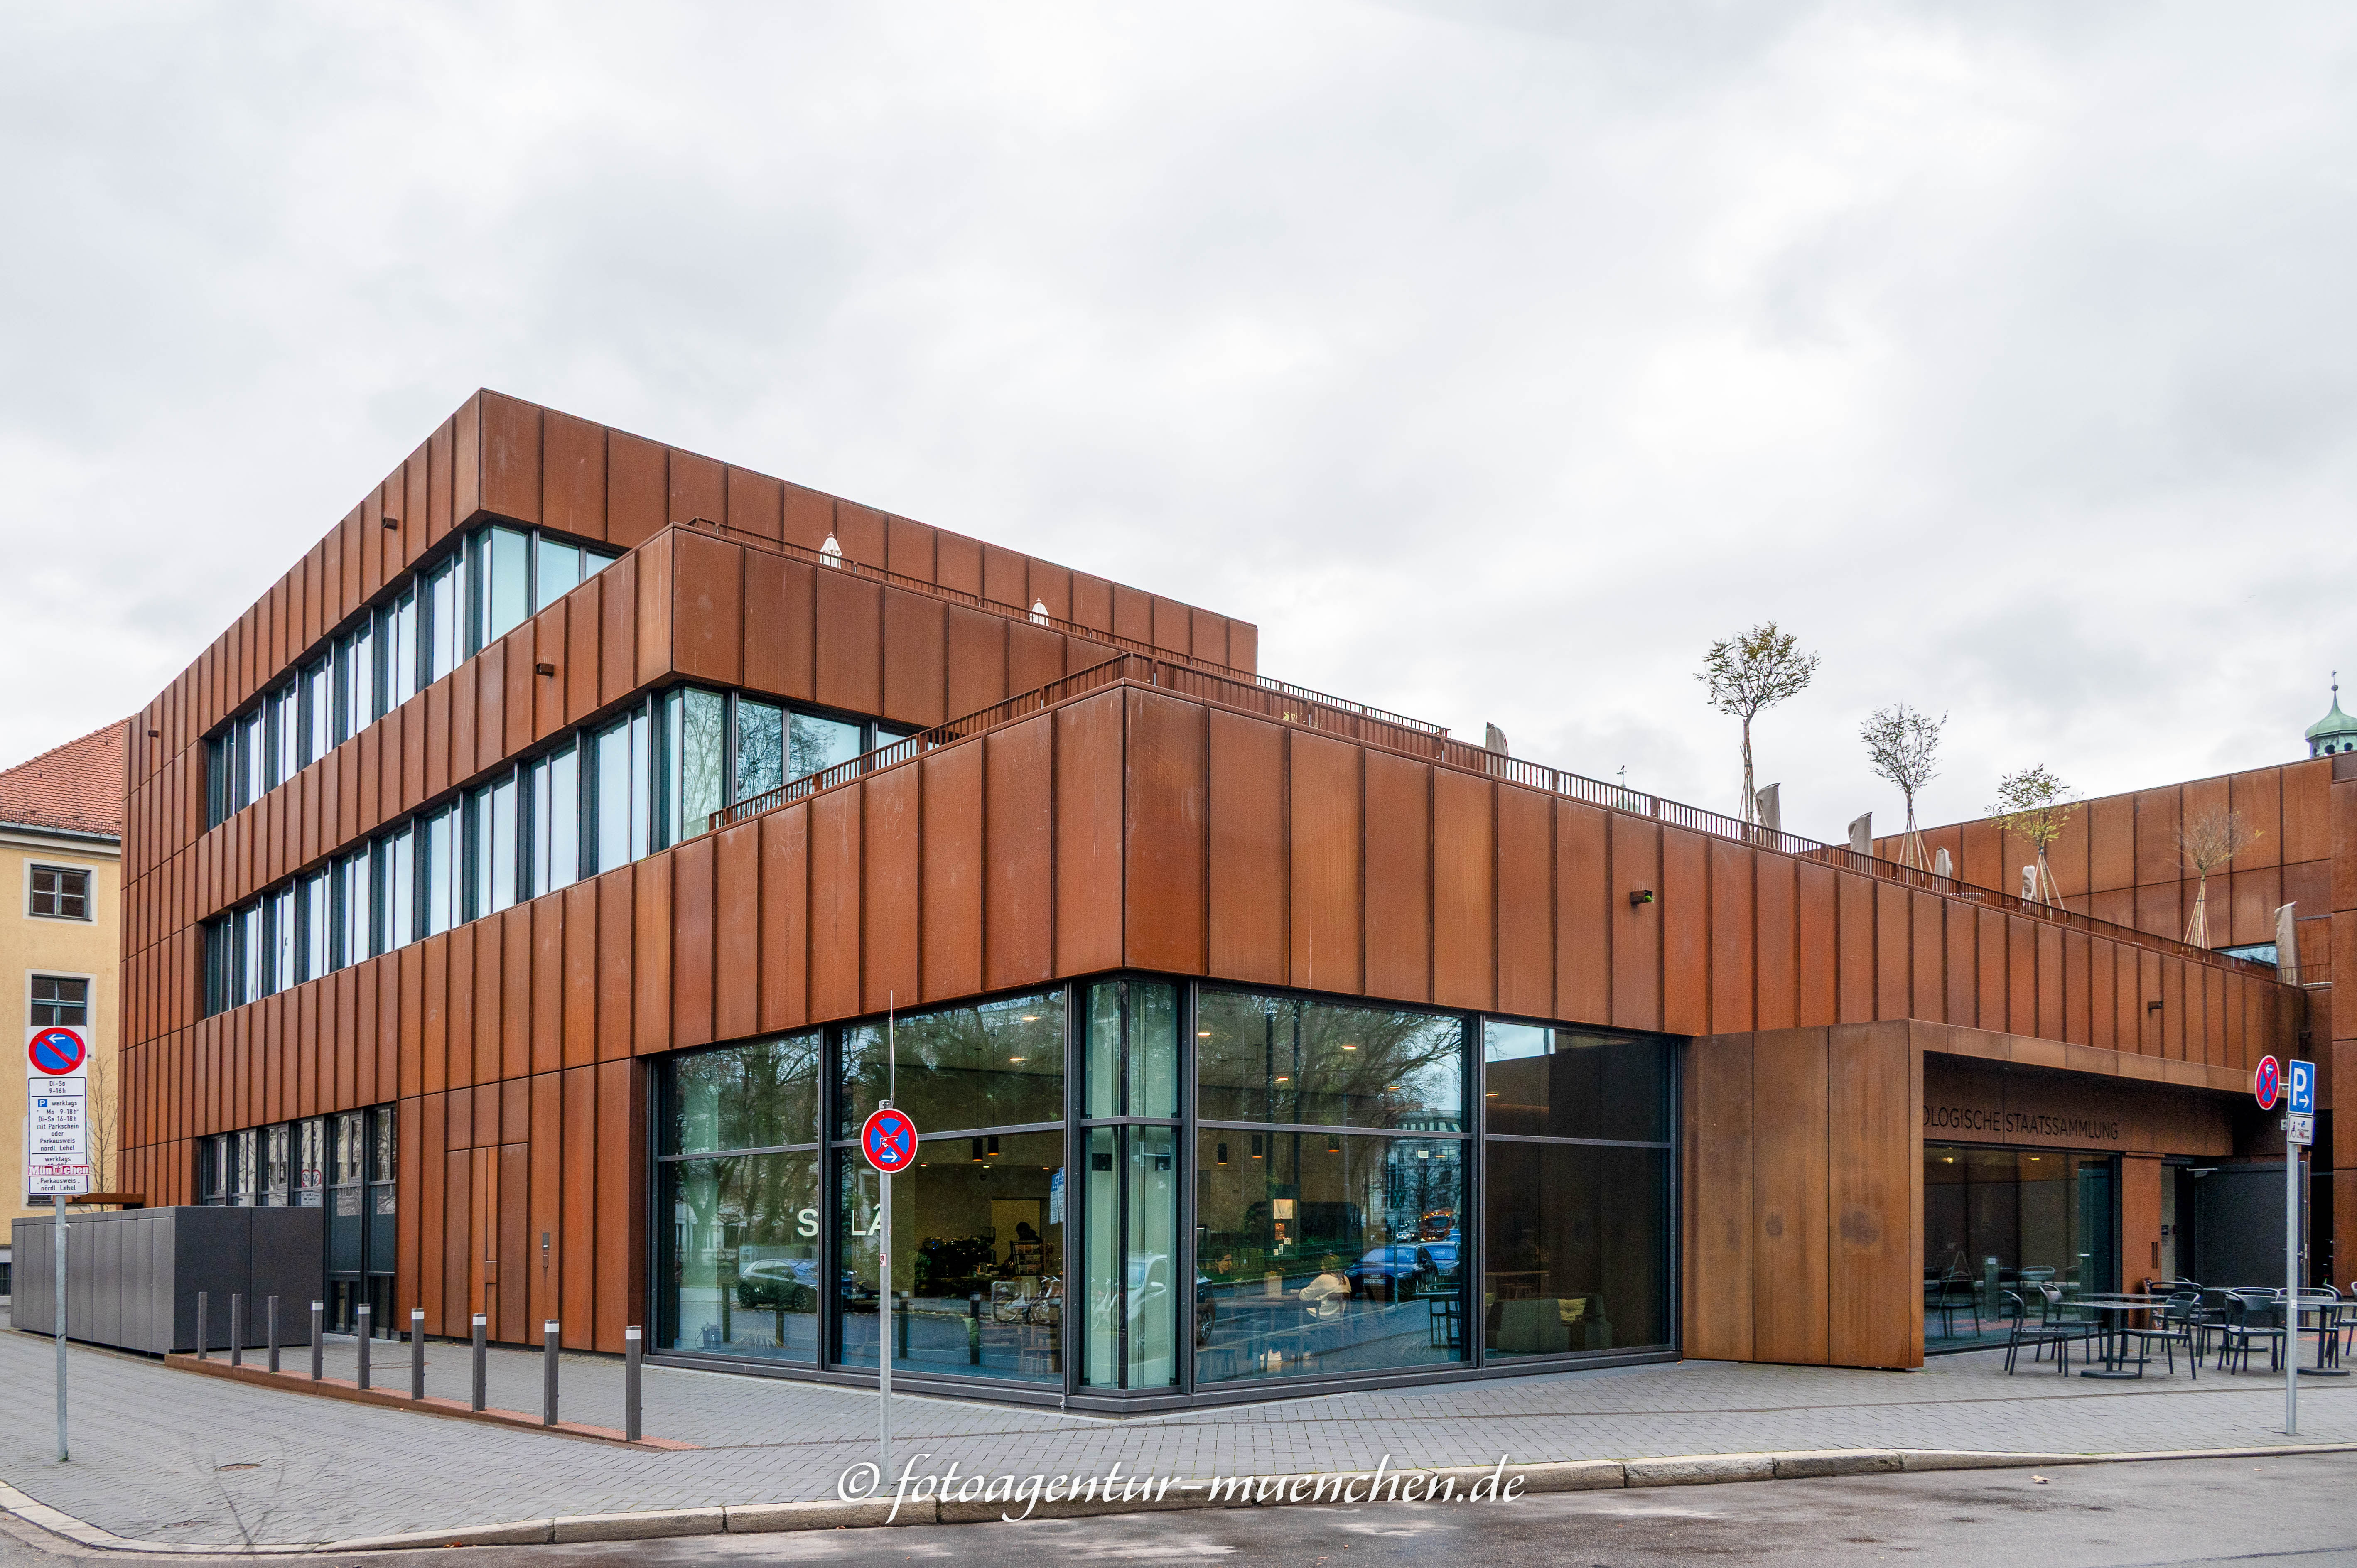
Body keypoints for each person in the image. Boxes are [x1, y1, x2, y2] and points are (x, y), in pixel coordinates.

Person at [1300, 1255, 1352, 1320]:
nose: (1322, 1267)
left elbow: (1304, 1296)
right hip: (1338, 1316)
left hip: (1319, 1315)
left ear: (1327, 1266)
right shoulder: (1345, 1279)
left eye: (1323, 1265)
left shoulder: (1323, 1279)